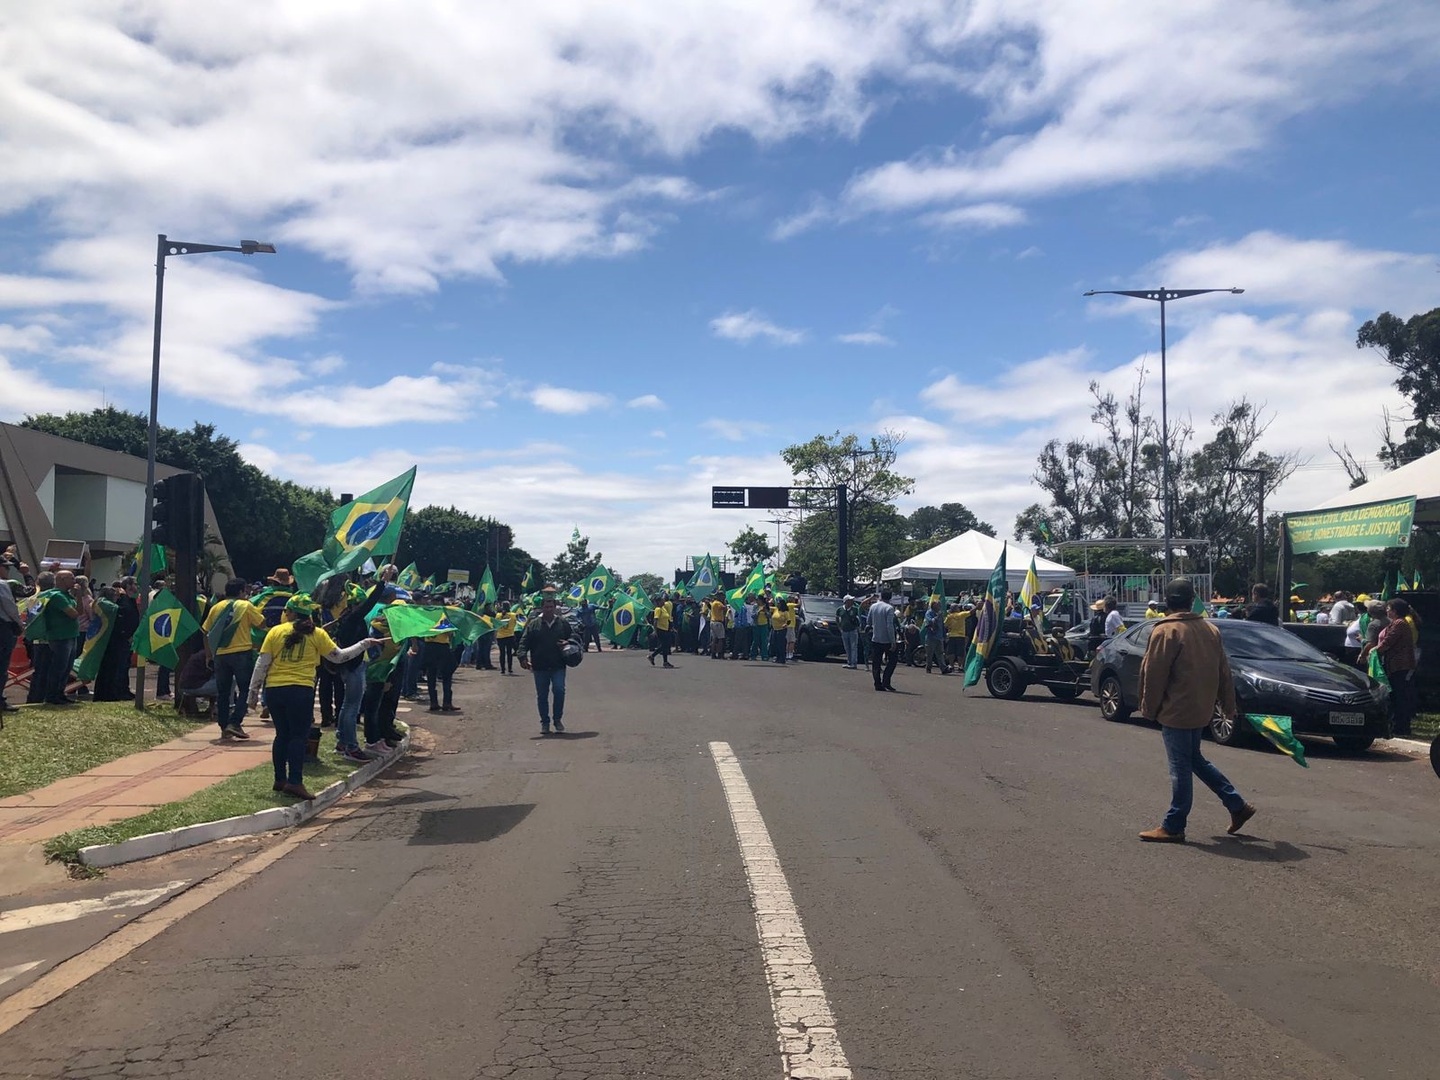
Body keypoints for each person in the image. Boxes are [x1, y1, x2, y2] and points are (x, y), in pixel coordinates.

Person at [1136, 577, 1255, 843]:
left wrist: (1148, 709)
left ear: (1167, 601)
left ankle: (1174, 825)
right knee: (1195, 761)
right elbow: (1224, 671)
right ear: (1192, 601)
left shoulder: (1166, 631)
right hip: (1201, 708)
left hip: (1176, 710)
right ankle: (1236, 805)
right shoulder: (1210, 630)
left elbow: (1154, 675)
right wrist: (1228, 705)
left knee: (1180, 767)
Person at [247, 594, 380, 801]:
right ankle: (295, 781)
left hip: (275, 690)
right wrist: (365, 644)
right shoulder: (317, 634)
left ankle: (280, 779)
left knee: (282, 735)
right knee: (298, 737)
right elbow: (340, 656)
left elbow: (261, 664)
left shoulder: (275, 632)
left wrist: (253, 694)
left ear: (290, 613)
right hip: (301, 691)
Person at [202, 578, 267, 741]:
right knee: (245, 689)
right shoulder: (245, 605)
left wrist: (209, 655)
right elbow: (261, 624)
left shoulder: (217, 607)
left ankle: (224, 727)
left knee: (223, 693)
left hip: (220, 654)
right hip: (241, 653)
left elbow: (205, 631)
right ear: (241, 592)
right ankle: (235, 722)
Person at [517, 593, 581, 736]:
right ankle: (545, 723)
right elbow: (524, 642)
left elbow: (574, 636)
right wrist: (522, 657)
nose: (549, 609)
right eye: (546, 607)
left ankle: (557, 719)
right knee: (542, 695)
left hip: (558, 665)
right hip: (539, 666)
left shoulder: (562, 623)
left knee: (559, 691)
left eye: (551, 607)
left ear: (555, 607)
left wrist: (568, 642)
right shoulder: (534, 624)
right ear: (542, 608)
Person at [24, 569, 81, 706]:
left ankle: (60, 693)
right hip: (59, 637)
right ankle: (52, 695)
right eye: (71, 578)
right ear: (61, 580)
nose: (74, 581)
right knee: (58, 668)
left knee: (66, 668)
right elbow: (73, 614)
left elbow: (80, 611)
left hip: (71, 635)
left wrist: (78, 596)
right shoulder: (57, 596)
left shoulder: (67, 595)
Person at [1376, 598, 1417, 737]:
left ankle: (1402, 727)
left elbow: (1388, 641)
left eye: (1389, 608)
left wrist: (1374, 650)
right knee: (1396, 696)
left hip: (1400, 665)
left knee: (1400, 696)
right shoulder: (1396, 623)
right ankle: (1396, 725)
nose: (1386, 611)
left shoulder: (1400, 624)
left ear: (1395, 611)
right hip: (1394, 665)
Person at [867, 588, 899, 692]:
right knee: (893, 660)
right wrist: (893, 641)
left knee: (876, 662)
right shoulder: (889, 608)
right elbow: (890, 626)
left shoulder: (873, 606)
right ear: (890, 597)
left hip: (876, 637)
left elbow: (869, 621)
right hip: (887, 639)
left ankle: (877, 683)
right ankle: (886, 680)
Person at [0, 571, 21, 714]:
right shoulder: (2, 584)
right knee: (2, 666)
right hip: (3, 626)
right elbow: (9, 606)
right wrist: (19, 623)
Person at [648, 593, 675, 668]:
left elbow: (668, 618)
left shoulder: (663, 608)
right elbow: (655, 620)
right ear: (658, 602)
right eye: (662, 601)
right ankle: (664, 661)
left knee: (665, 645)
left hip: (665, 629)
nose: (664, 602)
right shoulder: (658, 609)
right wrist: (655, 630)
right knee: (665, 645)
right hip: (660, 629)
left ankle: (653, 656)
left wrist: (671, 627)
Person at [923, 599, 948, 674]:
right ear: (933, 606)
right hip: (931, 637)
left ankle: (943, 668)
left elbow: (942, 625)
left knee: (940, 653)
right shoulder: (929, 613)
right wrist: (937, 617)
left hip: (939, 637)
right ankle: (928, 667)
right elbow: (930, 621)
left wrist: (944, 635)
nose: (939, 606)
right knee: (930, 654)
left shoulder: (940, 614)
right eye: (938, 605)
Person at [837, 595, 862, 669]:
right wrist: (840, 628)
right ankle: (849, 662)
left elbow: (859, 618)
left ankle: (854, 663)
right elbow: (837, 618)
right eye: (850, 600)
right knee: (847, 647)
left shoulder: (855, 609)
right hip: (844, 631)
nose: (852, 601)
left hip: (853, 630)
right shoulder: (840, 609)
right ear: (846, 601)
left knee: (853, 647)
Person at [494, 601, 519, 674]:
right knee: (509, 653)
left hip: (500, 636)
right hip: (510, 636)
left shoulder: (498, 615)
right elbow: (515, 624)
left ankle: (502, 669)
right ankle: (510, 668)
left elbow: (496, 625)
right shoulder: (513, 615)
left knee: (502, 654)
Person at [769, 597, 792, 665]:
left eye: (779, 604)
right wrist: (771, 599)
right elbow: (769, 606)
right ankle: (777, 657)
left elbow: (789, 620)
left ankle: (782, 658)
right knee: (775, 644)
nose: (777, 605)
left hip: (781, 630)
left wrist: (785, 624)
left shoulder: (785, 612)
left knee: (781, 645)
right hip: (774, 629)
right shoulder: (776, 609)